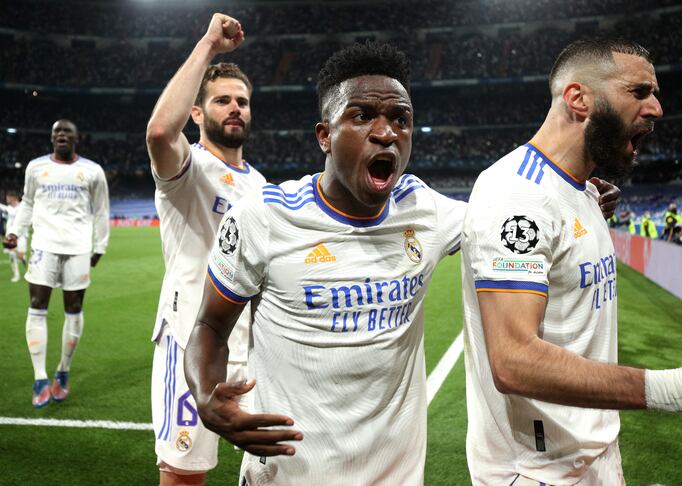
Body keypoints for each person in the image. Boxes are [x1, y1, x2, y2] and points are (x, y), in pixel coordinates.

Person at [184, 36, 620, 485]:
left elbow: (514, 223)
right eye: (362, 116)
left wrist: (578, 198)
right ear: (324, 137)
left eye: (400, 118)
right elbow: (209, 327)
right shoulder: (264, 218)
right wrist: (205, 397)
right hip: (286, 475)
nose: (386, 131)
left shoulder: (426, 211)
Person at [460, 38, 682, 486]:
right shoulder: (516, 194)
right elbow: (513, 360)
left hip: (590, 456)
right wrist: (681, 388)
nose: (656, 108)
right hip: (537, 472)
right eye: (639, 92)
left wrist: (587, 197)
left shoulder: (580, 190)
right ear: (579, 99)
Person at [145, 14, 267, 486]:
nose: (234, 108)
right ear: (198, 113)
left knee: (273, 462)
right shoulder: (187, 169)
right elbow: (159, 132)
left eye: (242, 101)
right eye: (221, 101)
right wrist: (209, 47)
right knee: (183, 474)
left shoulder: (261, 187)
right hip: (188, 340)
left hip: (251, 349)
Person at [2, 119, 109, 408]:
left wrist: (100, 245)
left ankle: (63, 371)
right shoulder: (36, 167)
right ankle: (39, 378)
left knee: (73, 308)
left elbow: (101, 210)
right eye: (57, 132)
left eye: (67, 132)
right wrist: (15, 232)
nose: (61, 135)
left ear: (77, 138)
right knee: (37, 306)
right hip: (43, 246)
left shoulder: (92, 171)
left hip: (77, 247)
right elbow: (27, 203)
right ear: (51, 138)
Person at [0, 192, 26, 282]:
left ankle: (29, 270)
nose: (6, 199)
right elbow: (1, 206)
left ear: (13, 198)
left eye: (8, 197)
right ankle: (16, 275)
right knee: (12, 255)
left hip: (21, 236)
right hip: (10, 236)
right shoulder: (9, 208)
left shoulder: (22, 207)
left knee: (21, 256)